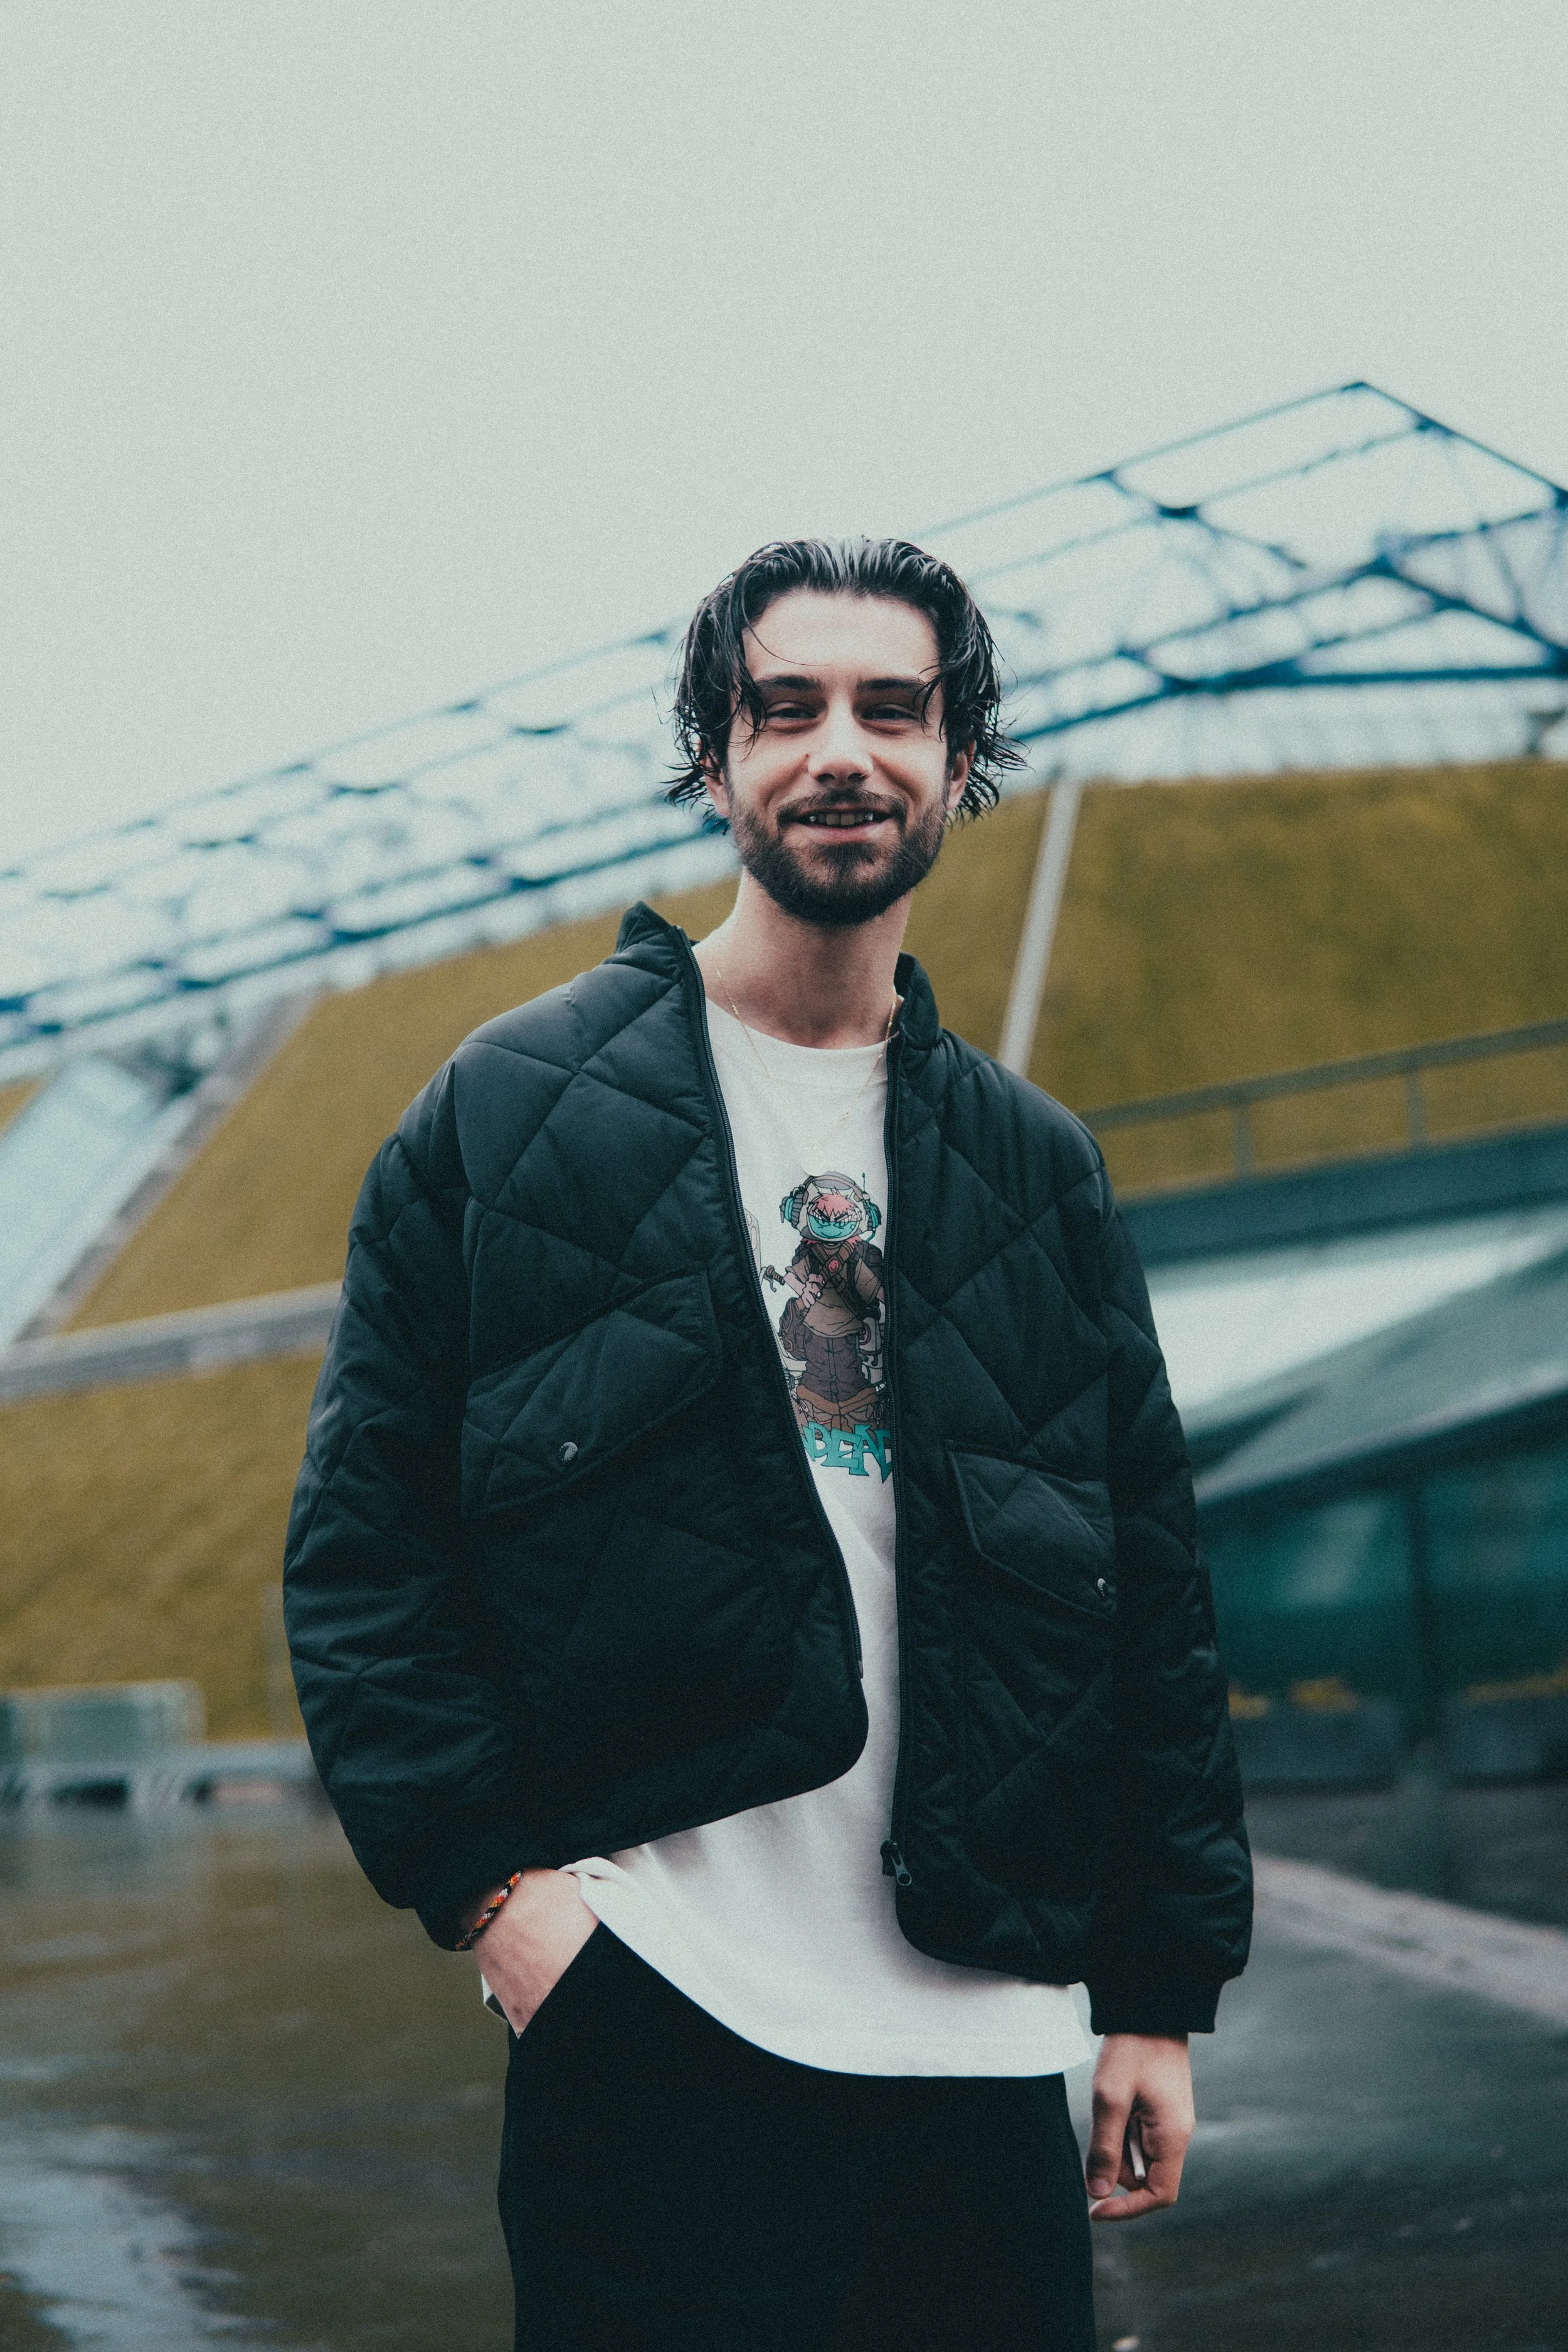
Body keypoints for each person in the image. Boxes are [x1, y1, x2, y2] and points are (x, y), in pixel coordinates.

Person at [283, 537, 1253, 2351]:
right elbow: (366, 1552)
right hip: (653, 2002)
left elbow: (1152, 1593)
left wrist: (1155, 1986)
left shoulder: (1035, 1164)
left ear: (958, 760)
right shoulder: (509, 1108)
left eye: (893, 707)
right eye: (783, 705)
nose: (839, 748)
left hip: (978, 2026)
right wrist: (499, 1897)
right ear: (712, 759)